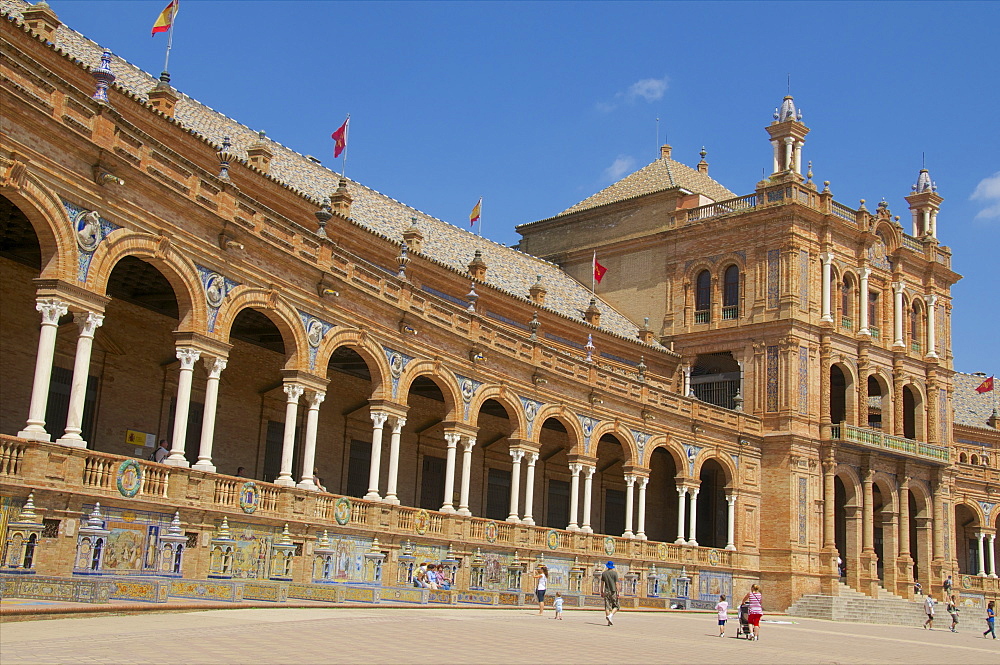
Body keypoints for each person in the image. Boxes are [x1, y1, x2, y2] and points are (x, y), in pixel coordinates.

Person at [601, 561, 619, 626]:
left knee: (607, 607)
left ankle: (609, 621)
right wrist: (618, 592)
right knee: (616, 606)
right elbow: (616, 583)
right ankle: (610, 615)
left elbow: (602, 583)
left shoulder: (604, 574)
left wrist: (601, 591)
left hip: (606, 591)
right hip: (613, 591)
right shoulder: (615, 574)